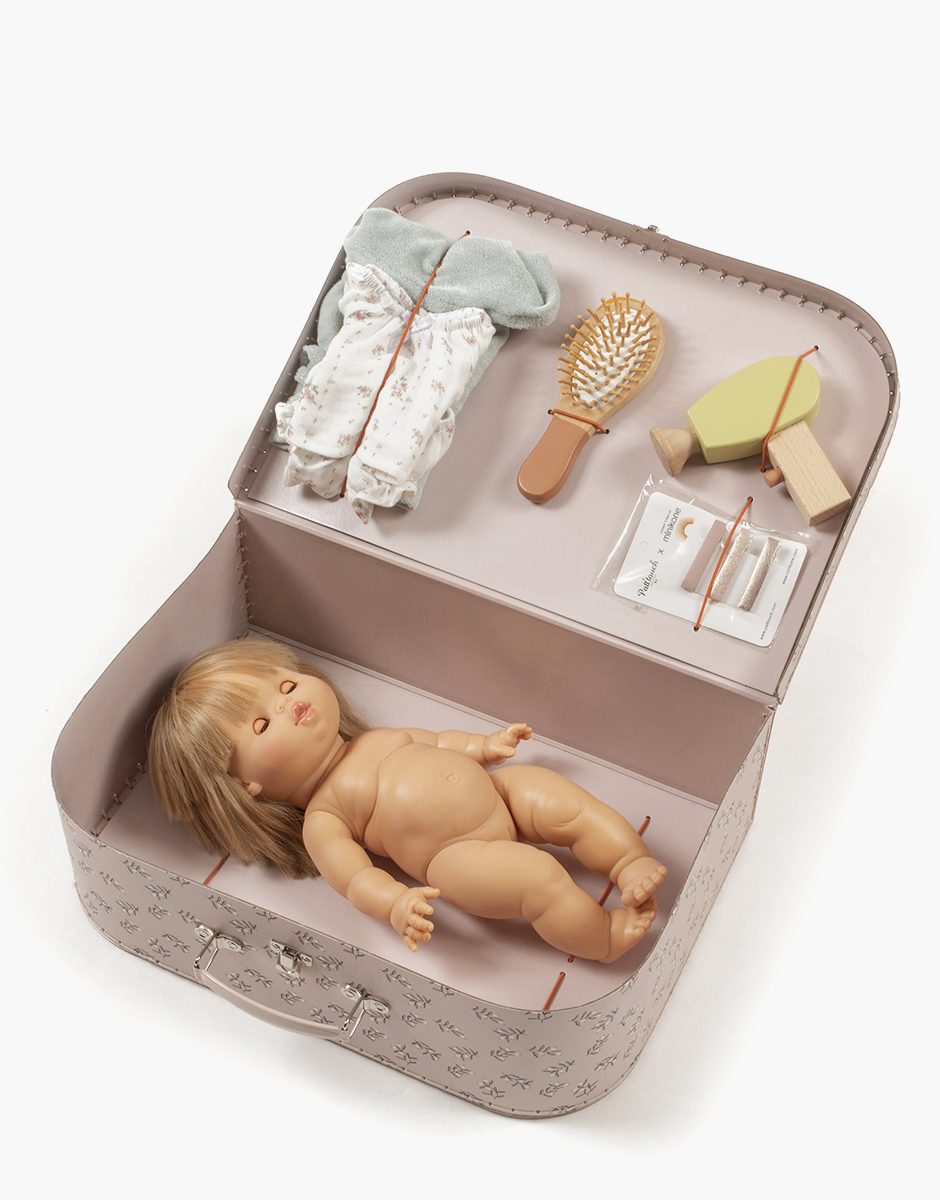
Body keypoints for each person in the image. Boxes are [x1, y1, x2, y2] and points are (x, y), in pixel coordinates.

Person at [149, 638, 667, 963]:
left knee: (563, 801)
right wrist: (396, 904)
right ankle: (600, 937)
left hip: (498, 794)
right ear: (245, 789)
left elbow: (440, 741)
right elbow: (356, 880)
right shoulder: (324, 820)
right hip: (458, 857)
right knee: (539, 878)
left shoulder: (375, 739)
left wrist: (485, 746)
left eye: (285, 685)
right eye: (262, 724)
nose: (289, 705)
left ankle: (628, 861)